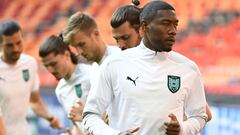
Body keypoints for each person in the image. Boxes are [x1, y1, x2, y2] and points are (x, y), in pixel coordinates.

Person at [82, 1, 208, 135]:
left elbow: (200, 116)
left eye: (175, 24)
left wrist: (182, 129)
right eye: (165, 24)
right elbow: (90, 114)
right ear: (144, 26)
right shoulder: (113, 64)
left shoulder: (188, 68)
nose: (173, 31)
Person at [110, 1, 212, 122]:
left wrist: (174, 125)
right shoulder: (116, 65)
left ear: (142, 29)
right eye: (117, 39)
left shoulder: (174, 65)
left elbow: (205, 114)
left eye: (126, 37)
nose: (120, 45)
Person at [0, 20, 61, 135]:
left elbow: (35, 101)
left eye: (18, 43)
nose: (16, 49)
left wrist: (50, 117)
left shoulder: (29, 63)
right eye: (9, 45)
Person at [62, 12, 121, 125]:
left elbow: (126, 110)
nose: (79, 52)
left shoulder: (117, 59)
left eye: (82, 44)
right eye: (75, 47)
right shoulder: (94, 69)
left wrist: (89, 115)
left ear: (96, 34)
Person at [39, 34, 92, 135]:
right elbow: (78, 125)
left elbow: (113, 114)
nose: (50, 70)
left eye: (54, 64)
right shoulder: (60, 90)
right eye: (46, 66)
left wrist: (87, 114)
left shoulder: (91, 74)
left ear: (67, 55)